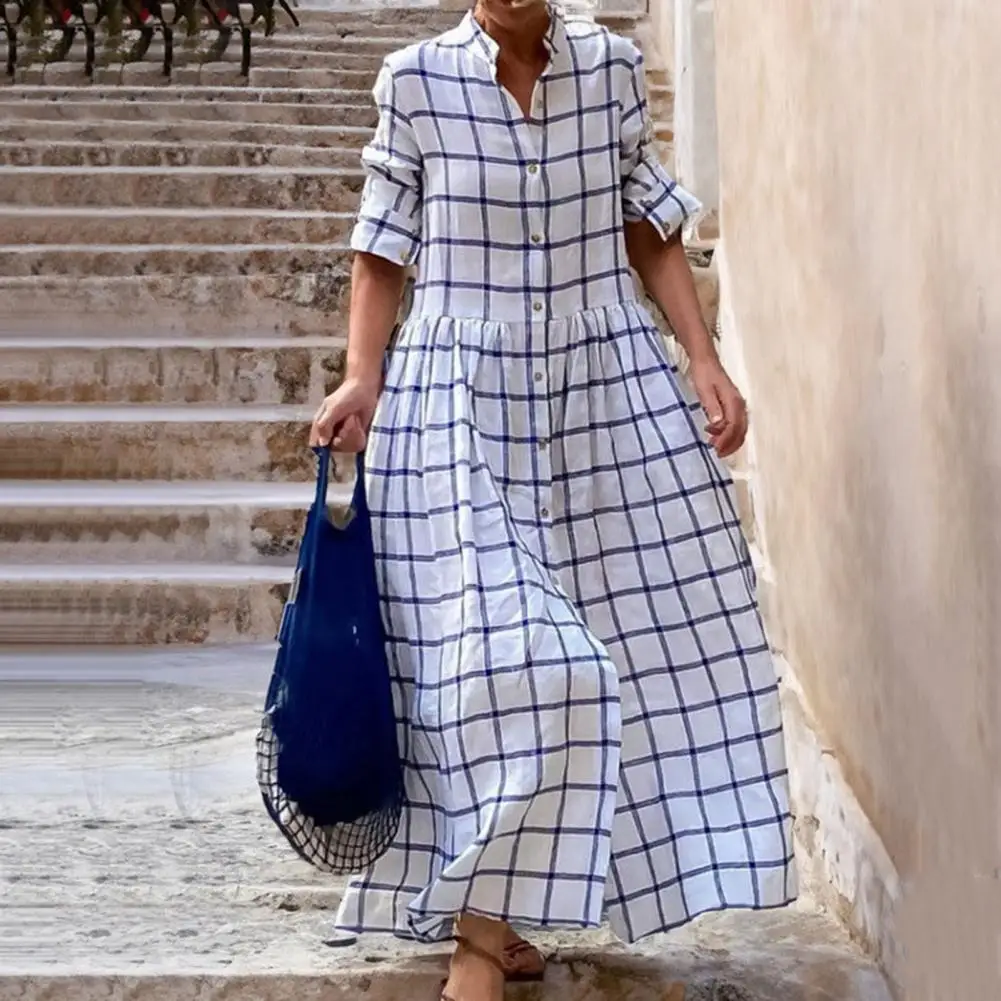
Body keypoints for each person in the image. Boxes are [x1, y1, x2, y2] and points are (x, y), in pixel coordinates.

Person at [309, 2, 796, 999]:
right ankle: (481, 947)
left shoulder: (609, 70)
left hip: (601, 406)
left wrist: (701, 359)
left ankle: (492, 917)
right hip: (459, 410)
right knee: (521, 661)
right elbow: (381, 243)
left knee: (642, 648)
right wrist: (363, 375)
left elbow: (648, 229)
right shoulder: (417, 80)